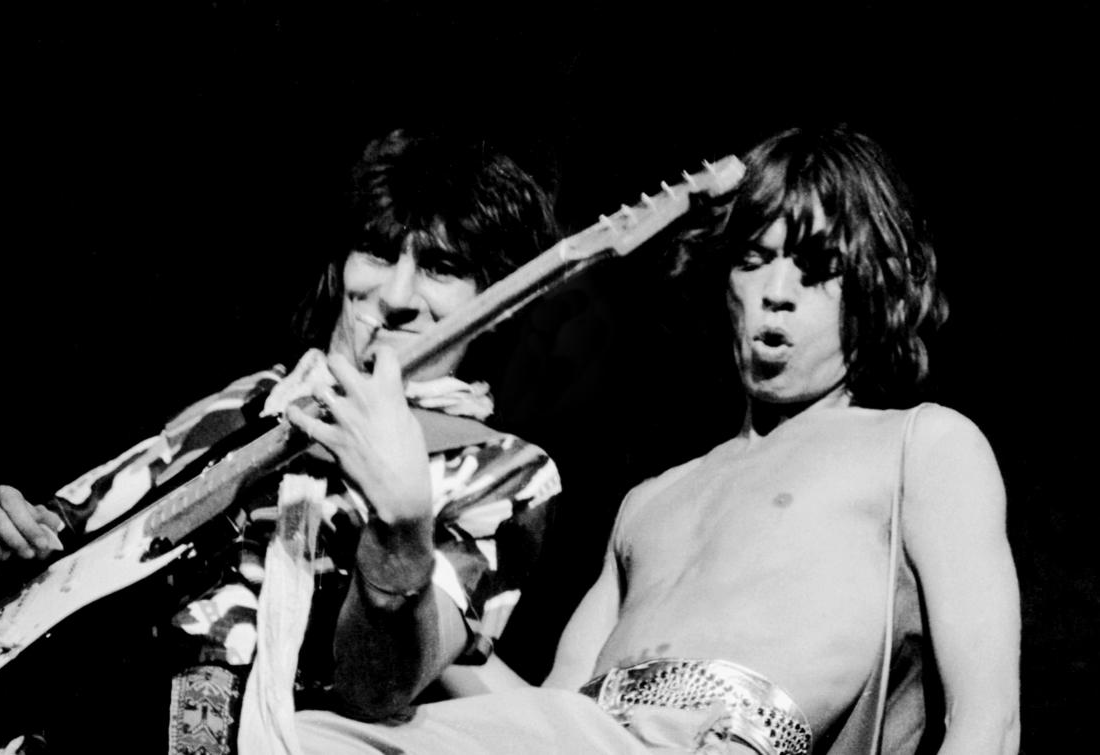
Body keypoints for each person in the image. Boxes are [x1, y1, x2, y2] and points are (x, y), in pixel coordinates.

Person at [277, 125, 1020, 754]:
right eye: (754, 259)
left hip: (717, 733)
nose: (778, 292)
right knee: (299, 734)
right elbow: (547, 710)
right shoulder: (652, 500)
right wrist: (427, 588)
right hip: (592, 731)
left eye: (818, 268)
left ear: (874, 283)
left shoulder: (920, 444)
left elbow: (986, 720)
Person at [0, 128, 564, 754]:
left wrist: (401, 532)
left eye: (442, 268)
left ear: (497, 302)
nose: (396, 296)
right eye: (378, 253)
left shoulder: (500, 468)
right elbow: (78, 521)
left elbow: (376, 689)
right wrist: (15, 540)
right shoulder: (255, 398)